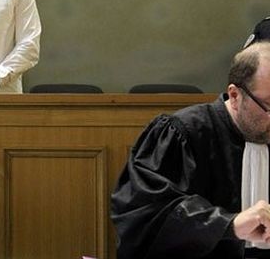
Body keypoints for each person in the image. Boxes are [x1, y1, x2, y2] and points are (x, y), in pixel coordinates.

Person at [111, 41, 270, 259]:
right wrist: (229, 225)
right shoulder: (182, 133)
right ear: (235, 96)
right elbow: (148, 214)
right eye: (269, 106)